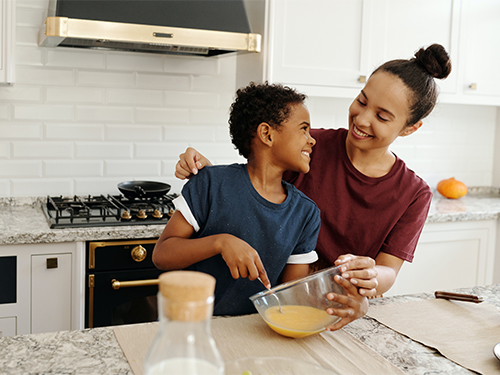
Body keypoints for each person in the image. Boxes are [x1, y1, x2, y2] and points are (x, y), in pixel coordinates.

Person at [173, 43, 452, 329]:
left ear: (409, 128)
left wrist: (368, 283)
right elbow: (253, 179)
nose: (362, 118)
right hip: (274, 306)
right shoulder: (309, 148)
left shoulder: (414, 193)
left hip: (339, 309)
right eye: (362, 100)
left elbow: (388, 271)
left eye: (382, 116)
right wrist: (209, 173)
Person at [153, 82, 354, 316]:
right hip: (191, 325)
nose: (312, 140)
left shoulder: (306, 214)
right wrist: (221, 242)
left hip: (256, 332)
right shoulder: (211, 184)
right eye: (303, 129)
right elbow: (162, 255)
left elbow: (291, 299)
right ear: (267, 134)